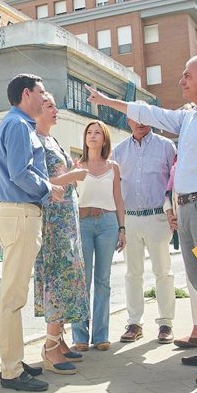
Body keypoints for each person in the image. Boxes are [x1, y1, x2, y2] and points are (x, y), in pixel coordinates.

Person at [84, 53, 197, 388]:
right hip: (188, 210)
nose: (181, 82)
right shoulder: (189, 117)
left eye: (187, 75)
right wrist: (106, 101)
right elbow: (151, 112)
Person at [0, 73, 64, 392]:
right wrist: (49, 188)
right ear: (26, 94)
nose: (45, 96)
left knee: (14, 296)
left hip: (18, 213)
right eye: (41, 91)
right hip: (20, 213)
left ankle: (14, 362)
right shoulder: (19, 126)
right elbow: (21, 173)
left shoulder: (16, 124)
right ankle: (10, 371)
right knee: (12, 298)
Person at [33, 93, 89, 375]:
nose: (55, 109)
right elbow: (41, 182)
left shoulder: (53, 140)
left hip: (68, 219)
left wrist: (73, 171)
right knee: (57, 277)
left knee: (69, 276)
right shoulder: (36, 141)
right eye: (49, 105)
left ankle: (61, 339)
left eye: (55, 104)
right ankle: (50, 345)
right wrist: (71, 177)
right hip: (54, 221)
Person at [111, 116, 177, 345]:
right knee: (132, 274)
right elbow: (113, 187)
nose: (140, 122)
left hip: (158, 217)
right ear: (128, 120)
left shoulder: (166, 147)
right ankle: (134, 323)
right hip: (130, 219)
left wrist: (172, 212)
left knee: (163, 272)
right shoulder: (118, 151)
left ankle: (166, 323)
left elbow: (174, 183)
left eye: (145, 117)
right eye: (135, 118)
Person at [70, 120, 126, 352]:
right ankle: (80, 336)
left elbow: (118, 199)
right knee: (82, 280)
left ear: (104, 139)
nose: (92, 136)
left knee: (103, 280)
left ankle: (101, 335)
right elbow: (71, 198)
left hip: (108, 224)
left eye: (97, 133)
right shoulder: (77, 166)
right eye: (89, 132)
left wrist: (122, 229)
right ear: (85, 139)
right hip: (82, 224)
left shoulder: (113, 167)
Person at [166, 159, 197, 349]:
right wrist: (170, 211)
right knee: (193, 280)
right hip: (184, 220)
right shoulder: (178, 160)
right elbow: (169, 190)